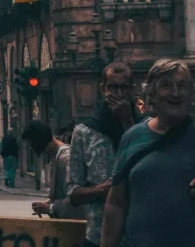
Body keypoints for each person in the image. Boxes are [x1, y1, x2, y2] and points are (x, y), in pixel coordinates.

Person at [100, 59, 195, 247]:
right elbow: (116, 203)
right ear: (150, 94)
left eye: (182, 86)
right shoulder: (133, 137)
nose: (175, 93)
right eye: (166, 85)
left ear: (191, 94)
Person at [67, 62, 137, 247]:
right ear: (102, 89)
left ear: (132, 90)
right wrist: (100, 190)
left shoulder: (146, 128)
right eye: (113, 87)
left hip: (137, 234)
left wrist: (127, 120)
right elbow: (72, 191)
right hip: (98, 235)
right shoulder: (84, 132)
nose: (119, 94)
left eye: (124, 87)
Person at [23, 120, 87, 221]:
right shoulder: (56, 157)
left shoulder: (66, 158)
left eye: (32, 146)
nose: (32, 149)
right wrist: (48, 203)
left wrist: (50, 208)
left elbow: (75, 197)